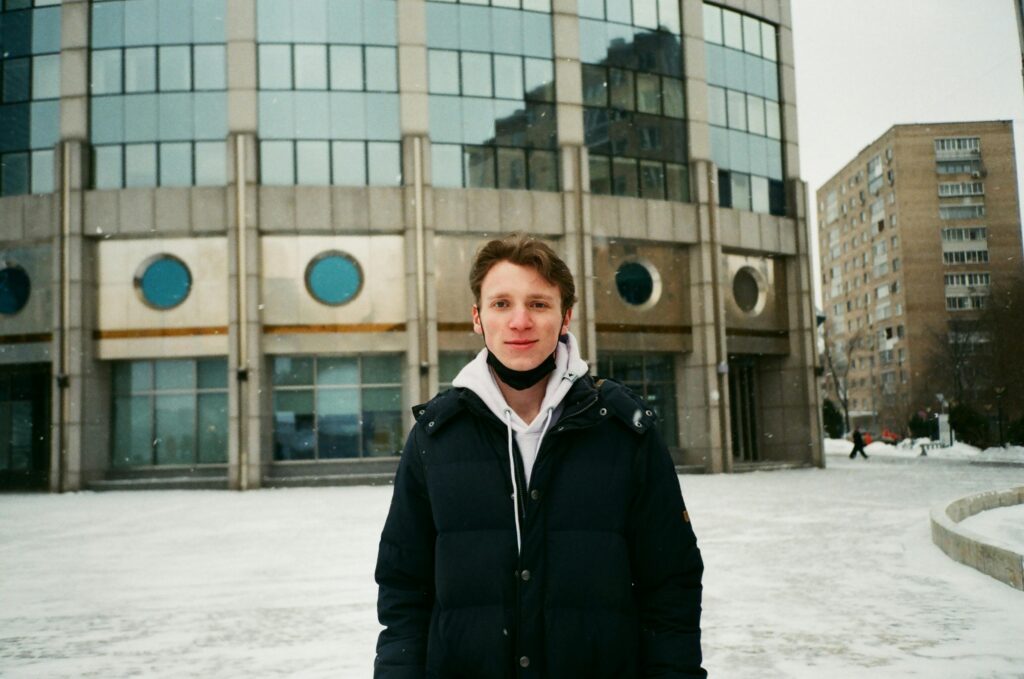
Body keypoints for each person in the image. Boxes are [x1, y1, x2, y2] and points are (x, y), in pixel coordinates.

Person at [374, 233, 706, 678]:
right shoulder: (435, 438)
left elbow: (671, 585)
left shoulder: (625, 433)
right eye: (501, 304)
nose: (519, 321)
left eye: (538, 304)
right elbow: (403, 589)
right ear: (477, 318)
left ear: (565, 317)